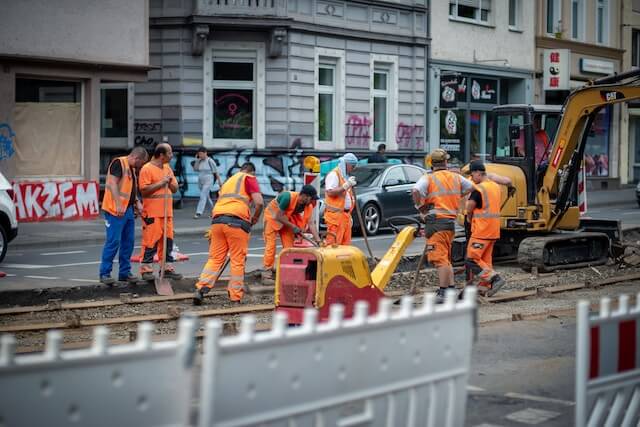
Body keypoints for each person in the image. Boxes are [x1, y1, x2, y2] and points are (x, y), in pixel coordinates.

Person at [193, 162, 264, 305]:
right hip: (237, 222)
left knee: (215, 258)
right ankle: (235, 296)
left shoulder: (228, 181)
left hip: (218, 221)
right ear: (252, 172)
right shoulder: (249, 178)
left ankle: (200, 289)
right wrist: (255, 218)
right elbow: (259, 202)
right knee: (237, 260)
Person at [412, 148, 474, 303]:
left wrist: (420, 207)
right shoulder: (456, 177)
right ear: (446, 162)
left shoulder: (429, 178)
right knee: (446, 258)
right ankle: (451, 289)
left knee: (439, 259)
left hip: (435, 221)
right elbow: (471, 188)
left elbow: (415, 190)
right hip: (449, 223)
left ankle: (443, 292)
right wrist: (457, 197)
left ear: (431, 163)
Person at [99, 147, 149, 285]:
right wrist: (118, 203)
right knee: (113, 241)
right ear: (136, 158)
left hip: (127, 210)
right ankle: (104, 273)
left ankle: (124, 273)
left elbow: (130, 189)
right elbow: (112, 183)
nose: (141, 167)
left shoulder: (131, 168)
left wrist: (137, 202)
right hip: (115, 210)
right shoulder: (119, 163)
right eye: (141, 163)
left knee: (128, 242)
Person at [464, 160, 512, 297]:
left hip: (481, 230)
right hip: (493, 230)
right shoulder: (495, 186)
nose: (472, 178)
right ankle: (485, 286)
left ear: (477, 173)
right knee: (485, 260)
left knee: (471, 259)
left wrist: (468, 217)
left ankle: (495, 278)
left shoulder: (479, 189)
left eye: (472, 174)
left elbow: (470, 206)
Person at [138, 143, 182, 281]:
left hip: (167, 213)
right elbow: (144, 190)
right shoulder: (147, 169)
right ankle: (146, 270)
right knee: (150, 241)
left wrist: (169, 183)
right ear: (161, 155)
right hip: (152, 213)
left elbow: (174, 189)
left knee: (168, 242)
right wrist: (161, 182)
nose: (172, 155)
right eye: (169, 153)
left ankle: (167, 268)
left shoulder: (167, 168)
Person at [261, 185, 321, 282]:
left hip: (286, 220)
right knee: (271, 246)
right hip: (272, 217)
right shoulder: (287, 197)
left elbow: (311, 223)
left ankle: (286, 271)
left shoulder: (308, 206)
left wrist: (318, 239)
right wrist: (293, 227)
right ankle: (266, 273)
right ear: (305, 196)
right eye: (311, 198)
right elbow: (278, 216)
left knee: (289, 248)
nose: (313, 201)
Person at [324, 153, 358, 245]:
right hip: (336, 218)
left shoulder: (345, 177)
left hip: (345, 217)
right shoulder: (334, 175)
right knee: (334, 245)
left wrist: (348, 214)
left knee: (345, 246)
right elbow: (330, 192)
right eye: (352, 166)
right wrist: (346, 186)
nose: (353, 168)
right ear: (346, 164)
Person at [192, 147, 222, 219]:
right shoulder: (199, 161)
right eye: (199, 154)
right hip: (200, 179)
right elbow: (195, 169)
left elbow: (216, 172)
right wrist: (196, 160)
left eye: (201, 154)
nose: (200, 156)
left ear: (205, 153)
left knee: (203, 195)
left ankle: (198, 212)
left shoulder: (210, 161)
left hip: (209, 179)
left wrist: (220, 182)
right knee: (206, 197)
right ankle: (214, 212)